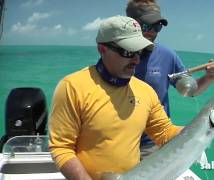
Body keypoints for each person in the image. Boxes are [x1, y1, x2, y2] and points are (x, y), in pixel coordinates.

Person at [48, 15, 183, 180]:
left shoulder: (145, 91)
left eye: (139, 52)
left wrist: (205, 127)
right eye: (128, 52)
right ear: (102, 49)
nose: (136, 60)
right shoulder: (72, 87)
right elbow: (61, 148)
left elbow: (165, 133)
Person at [126, 0, 214, 156]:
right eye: (147, 26)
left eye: (157, 26)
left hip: (153, 143)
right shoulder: (116, 55)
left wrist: (208, 78)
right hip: (119, 141)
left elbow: (189, 90)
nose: (153, 32)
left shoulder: (167, 55)